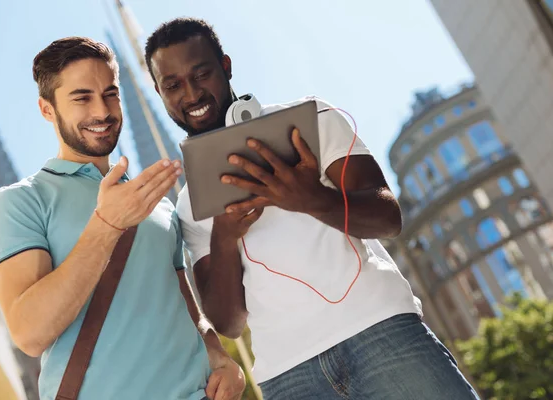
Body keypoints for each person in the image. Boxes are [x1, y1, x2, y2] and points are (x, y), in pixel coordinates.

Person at [144, 17, 482, 400]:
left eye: (201, 74)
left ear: (226, 65)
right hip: (288, 377)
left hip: (381, 332)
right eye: (173, 85)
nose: (191, 94)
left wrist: (311, 199)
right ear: (159, 91)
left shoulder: (313, 119)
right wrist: (224, 237)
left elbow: (389, 218)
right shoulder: (191, 203)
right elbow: (229, 323)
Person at [0, 36, 245, 400]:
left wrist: (220, 358)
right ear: (47, 110)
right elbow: (30, 333)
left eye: (110, 93)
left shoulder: (158, 204)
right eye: (82, 98)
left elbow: (188, 307)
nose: (102, 111)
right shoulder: (22, 202)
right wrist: (107, 225)